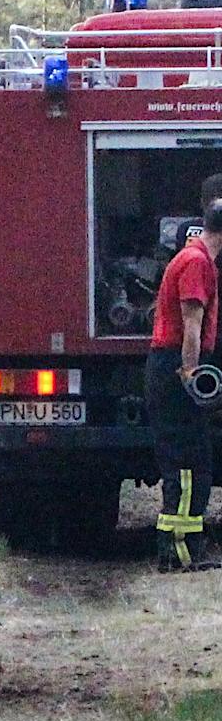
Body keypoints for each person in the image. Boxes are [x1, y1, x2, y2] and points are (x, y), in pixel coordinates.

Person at [146, 200, 222, 571]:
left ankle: (179, 548)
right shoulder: (196, 262)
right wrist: (191, 372)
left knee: (190, 459)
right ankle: (181, 551)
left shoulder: (193, 258)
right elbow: (192, 323)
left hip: (168, 366)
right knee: (189, 464)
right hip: (174, 368)